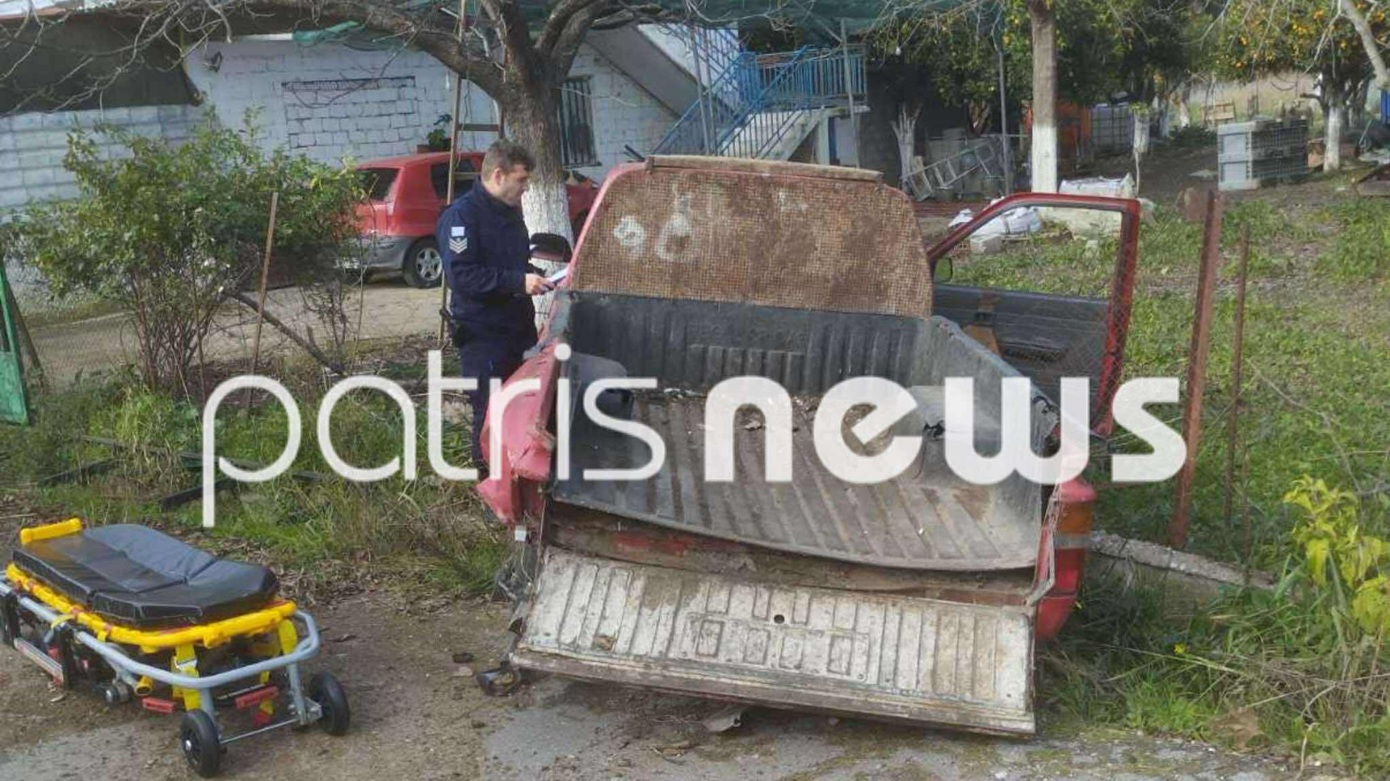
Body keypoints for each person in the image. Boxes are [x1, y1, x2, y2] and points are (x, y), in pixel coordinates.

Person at [437, 140, 553, 472]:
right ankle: (488, 482)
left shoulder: (510, 212)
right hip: (484, 335)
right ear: (498, 175)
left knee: (522, 408)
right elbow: (462, 275)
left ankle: (518, 478)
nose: (526, 187)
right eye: (521, 180)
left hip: (518, 329)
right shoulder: (462, 217)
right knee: (488, 412)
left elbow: (511, 263)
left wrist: (534, 276)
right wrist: (517, 282)